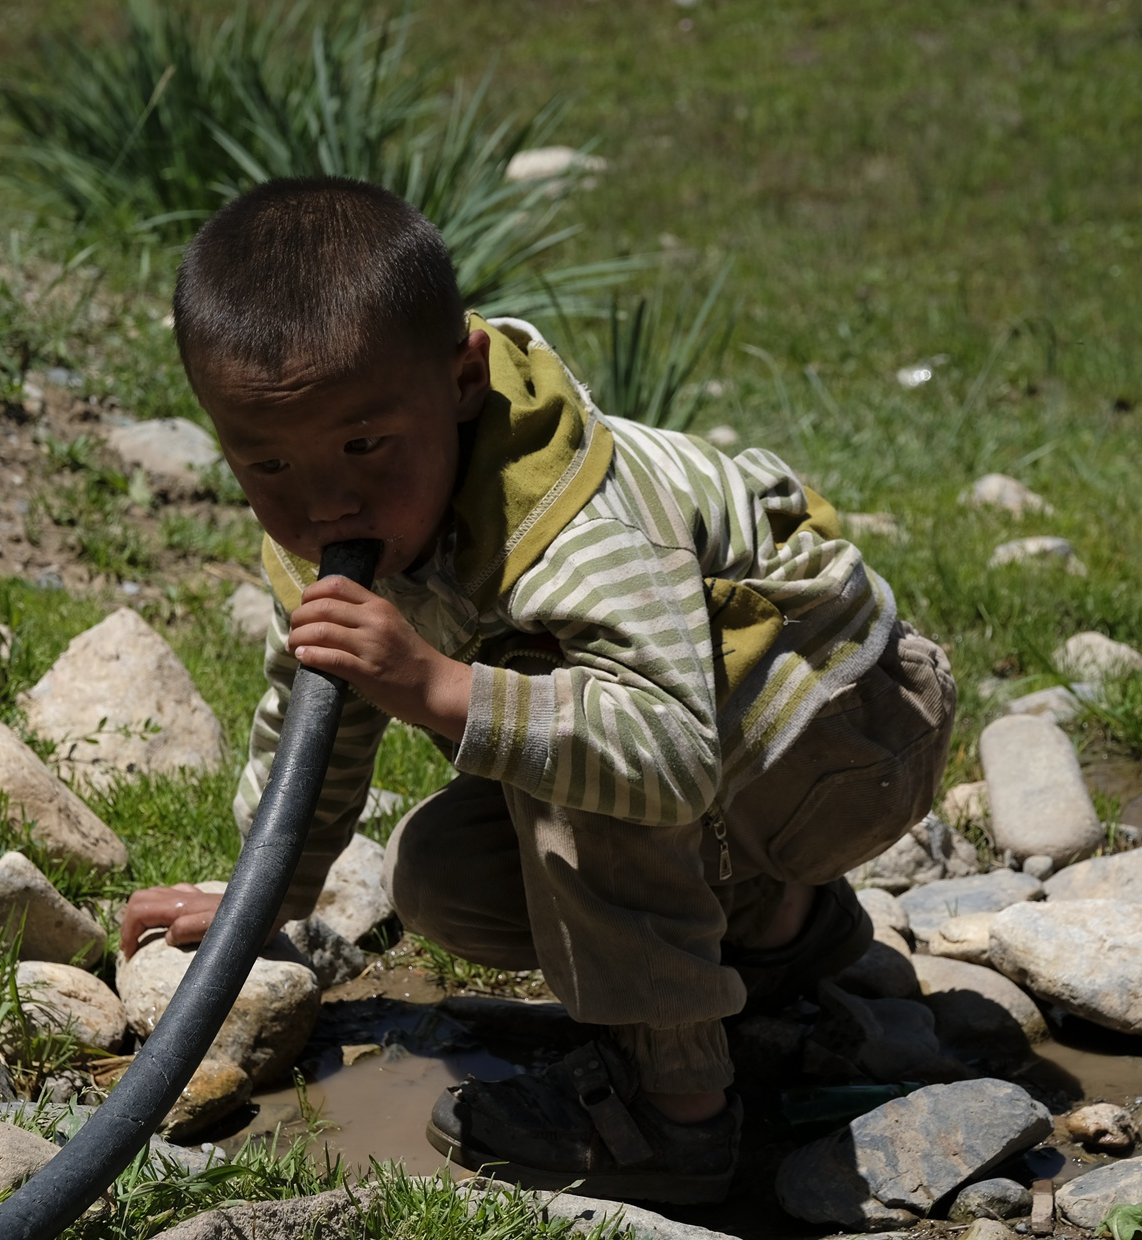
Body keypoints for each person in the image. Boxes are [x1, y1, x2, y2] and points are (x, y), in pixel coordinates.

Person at [119, 176, 956, 1205]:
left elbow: (669, 748)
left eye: (366, 444)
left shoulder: (578, 533)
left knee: (571, 753)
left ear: (464, 377)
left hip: (855, 729)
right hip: (752, 745)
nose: (325, 498)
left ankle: (677, 1116)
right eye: (268, 463)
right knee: (438, 873)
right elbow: (312, 722)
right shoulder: (344, 516)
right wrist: (264, 899)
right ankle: (776, 929)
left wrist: (433, 683)